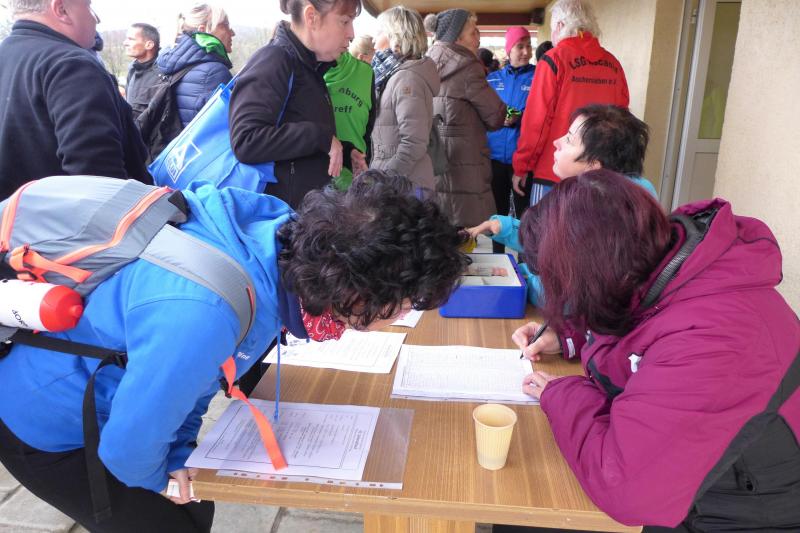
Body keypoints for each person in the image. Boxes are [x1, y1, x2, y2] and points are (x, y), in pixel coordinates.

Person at [0, 170, 470, 532]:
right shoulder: (206, 313)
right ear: (356, 295)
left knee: (195, 505)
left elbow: (198, 380)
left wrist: (179, 451)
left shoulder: (277, 240)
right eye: (404, 306)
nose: (403, 317)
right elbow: (127, 451)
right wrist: (161, 476)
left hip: (114, 396)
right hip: (43, 421)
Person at [512, 169, 800, 531]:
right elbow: (641, 322)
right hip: (702, 488)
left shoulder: (716, 339)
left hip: (743, 513)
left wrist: (563, 394)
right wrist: (570, 335)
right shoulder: (668, 267)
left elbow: (628, 490)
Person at [468, 105, 656, 306]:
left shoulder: (599, 208)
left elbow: (569, 295)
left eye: (569, 140)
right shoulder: (628, 192)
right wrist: (503, 227)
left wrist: (521, 280)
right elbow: (550, 240)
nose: (556, 142)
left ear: (594, 165)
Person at [0, 0, 150, 200]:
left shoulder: (7, 55)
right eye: (88, 5)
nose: (96, 18)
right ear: (61, 9)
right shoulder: (72, 65)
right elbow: (100, 186)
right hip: (71, 218)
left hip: (14, 216)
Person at [230, 0, 356, 209]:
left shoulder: (309, 67)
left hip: (299, 214)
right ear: (311, 17)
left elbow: (295, 133)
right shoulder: (275, 59)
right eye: (344, 21)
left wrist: (344, 151)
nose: (351, 34)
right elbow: (246, 141)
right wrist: (321, 137)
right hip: (277, 217)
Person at [512, 0, 629, 207]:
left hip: (553, 172)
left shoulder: (553, 60)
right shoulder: (613, 64)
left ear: (559, 26)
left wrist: (522, 166)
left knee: (545, 227)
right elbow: (622, 120)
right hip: (598, 176)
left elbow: (536, 123)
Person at [425, 9, 506, 227]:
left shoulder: (424, 64)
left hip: (434, 162)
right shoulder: (468, 68)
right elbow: (496, 116)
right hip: (466, 167)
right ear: (457, 37)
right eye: (473, 32)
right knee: (466, 235)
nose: (479, 38)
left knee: (440, 229)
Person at [369, 5, 439, 197]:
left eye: (379, 32)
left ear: (396, 36)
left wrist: (384, 179)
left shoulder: (406, 78)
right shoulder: (392, 75)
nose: (373, 39)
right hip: (400, 182)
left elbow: (414, 142)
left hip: (405, 187)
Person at [486, 27, 534, 253]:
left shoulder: (538, 76)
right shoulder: (493, 79)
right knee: (498, 212)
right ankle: (498, 256)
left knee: (525, 214)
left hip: (522, 158)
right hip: (495, 156)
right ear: (508, 50)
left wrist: (520, 117)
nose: (526, 52)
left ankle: (525, 260)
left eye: (528, 46)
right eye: (520, 46)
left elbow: (542, 115)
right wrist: (497, 117)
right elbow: (482, 112)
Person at [156, 3, 234, 128]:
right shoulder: (214, 72)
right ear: (203, 30)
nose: (232, 32)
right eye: (226, 25)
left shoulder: (169, 65)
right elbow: (231, 127)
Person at [324, 43, 376, 190]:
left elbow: (369, 126)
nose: (351, 34)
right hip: (353, 173)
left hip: (353, 174)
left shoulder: (366, 72)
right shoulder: (303, 72)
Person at [124, 22, 161, 120]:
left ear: (149, 45)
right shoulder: (132, 69)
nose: (125, 43)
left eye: (131, 39)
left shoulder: (163, 73)